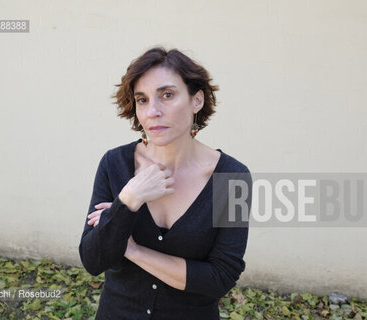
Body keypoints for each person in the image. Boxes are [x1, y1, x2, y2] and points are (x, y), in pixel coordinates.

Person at [79, 46, 252, 320]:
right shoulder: (114, 164)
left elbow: (220, 278)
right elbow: (93, 260)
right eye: (142, 100)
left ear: (197, 100)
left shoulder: (233, 178)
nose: (153, 112)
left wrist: (132, 250)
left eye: (167, 95)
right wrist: (129, 199)